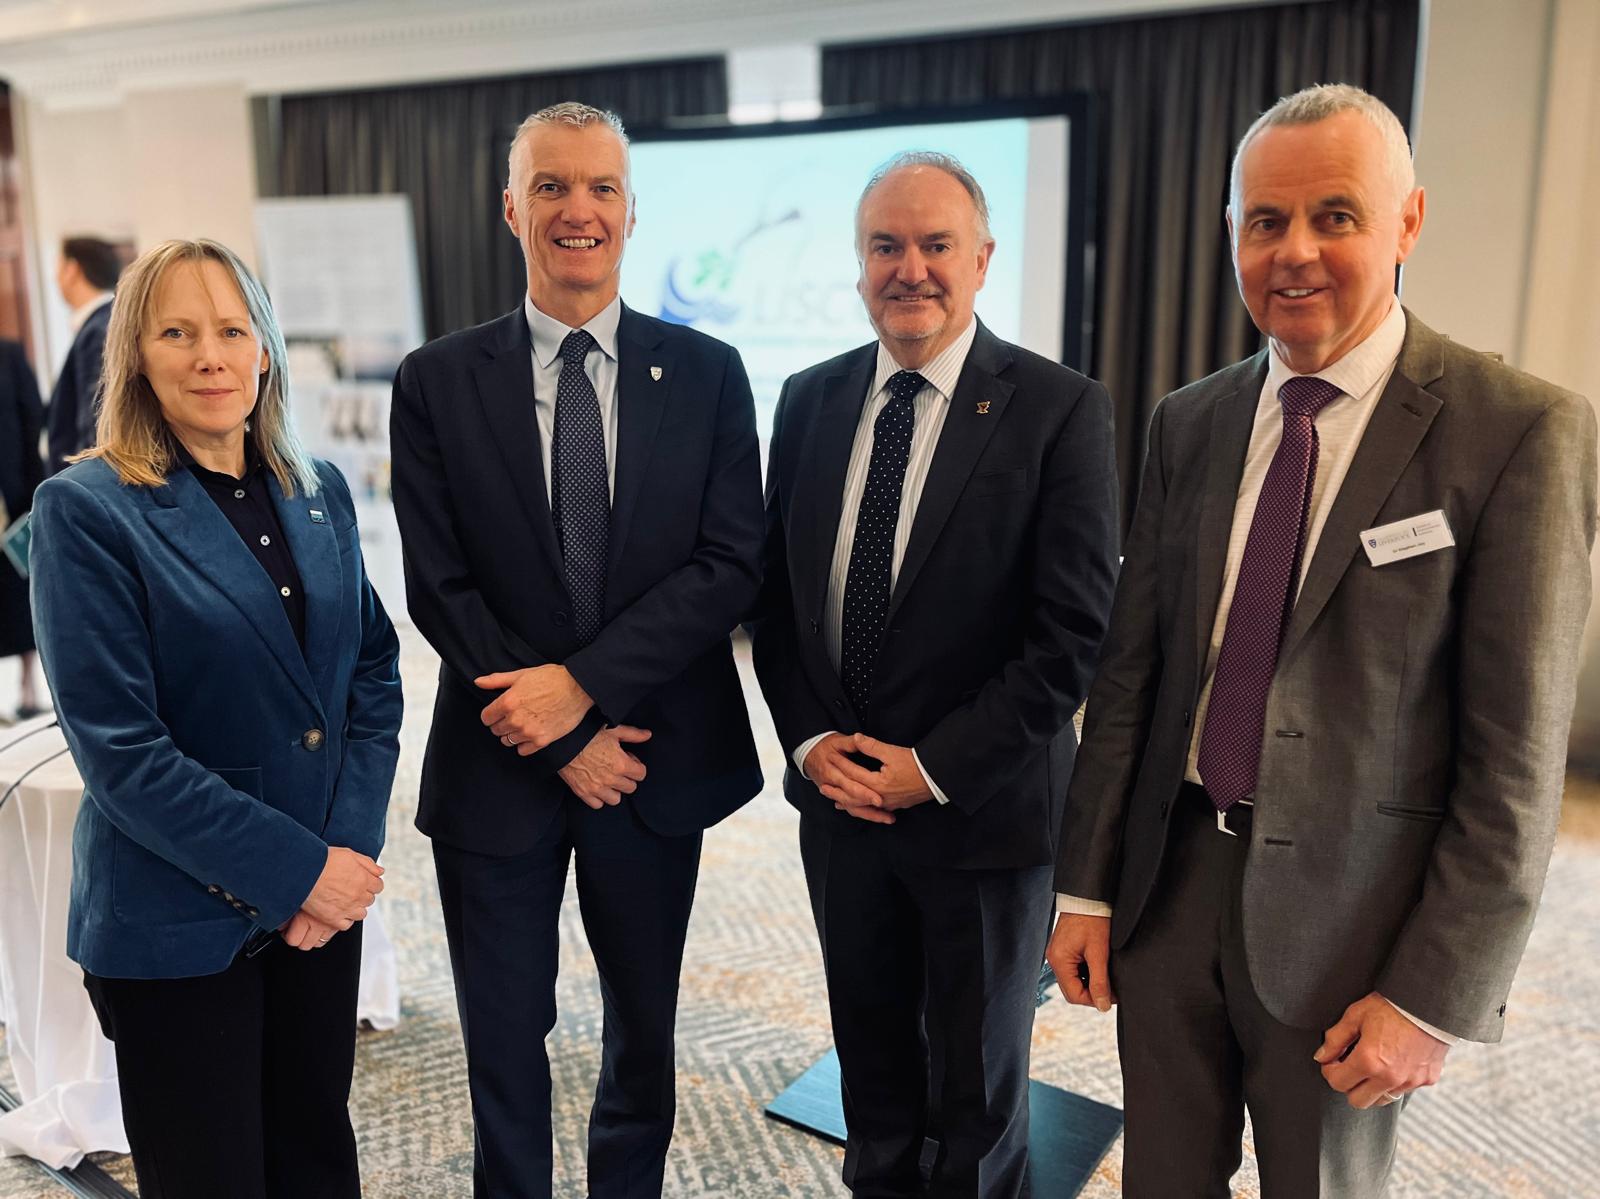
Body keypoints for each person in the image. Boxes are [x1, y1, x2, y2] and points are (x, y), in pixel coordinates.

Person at [1047, 83, 1597, 1197]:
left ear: (1406, 222)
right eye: (1264, 220)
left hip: (1355, 921)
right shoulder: (1190, 420)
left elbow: (1516, 759)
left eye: (1334, 215)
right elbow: (1132, 673)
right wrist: (1089, 888)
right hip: (1168, 887)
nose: (1293, 251)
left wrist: (1433, 991)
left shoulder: (1515, 429)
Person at [390, 101, 763, 1199]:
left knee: (641, 1031)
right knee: (503, 1039)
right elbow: (437, 583)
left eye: (599, 186)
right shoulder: (437, 379)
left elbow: (729, 562)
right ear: (512, 208)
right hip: (495, 769)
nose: (577, 208)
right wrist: (557, 737)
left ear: (632, 212)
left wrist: (587, 695)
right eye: (550, 186)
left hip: (650, 761)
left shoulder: (707, 372)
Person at [750, 151, 1120, 1198]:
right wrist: (812, 741)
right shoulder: (810, 398)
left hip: (983, 816)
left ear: (983, 258)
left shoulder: (1059, 407)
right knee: (873, 1078)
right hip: (842, 811)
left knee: (974, 1098)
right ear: (858, 264)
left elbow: (1069, 638)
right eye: (885, 245)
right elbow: (776, 601)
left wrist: (930, 766)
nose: (909, 268)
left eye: (935, 244)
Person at [29, 238, 403, 1199]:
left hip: (319, 909)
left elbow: (370, 671)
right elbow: (124, 754)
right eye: (178, 332)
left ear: (265, 349)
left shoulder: (314, 487)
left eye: (232, 329)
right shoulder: (85, 511)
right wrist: (298, 872)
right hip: (176, 923)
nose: (211, 356)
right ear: (136, 356)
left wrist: (344, 860)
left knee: (316, 1158)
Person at [47, 235, 122, 474]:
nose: (55, 278)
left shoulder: (99, 329)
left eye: (58, 267)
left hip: (89, 479)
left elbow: (96, 420)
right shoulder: (106, 320)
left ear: (72, 269)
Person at [0, 338, 44, 717]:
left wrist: (34, 491)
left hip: (10, 499)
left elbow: (32, 422)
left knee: (20, 586)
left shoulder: (10, 354)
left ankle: (29, 685)